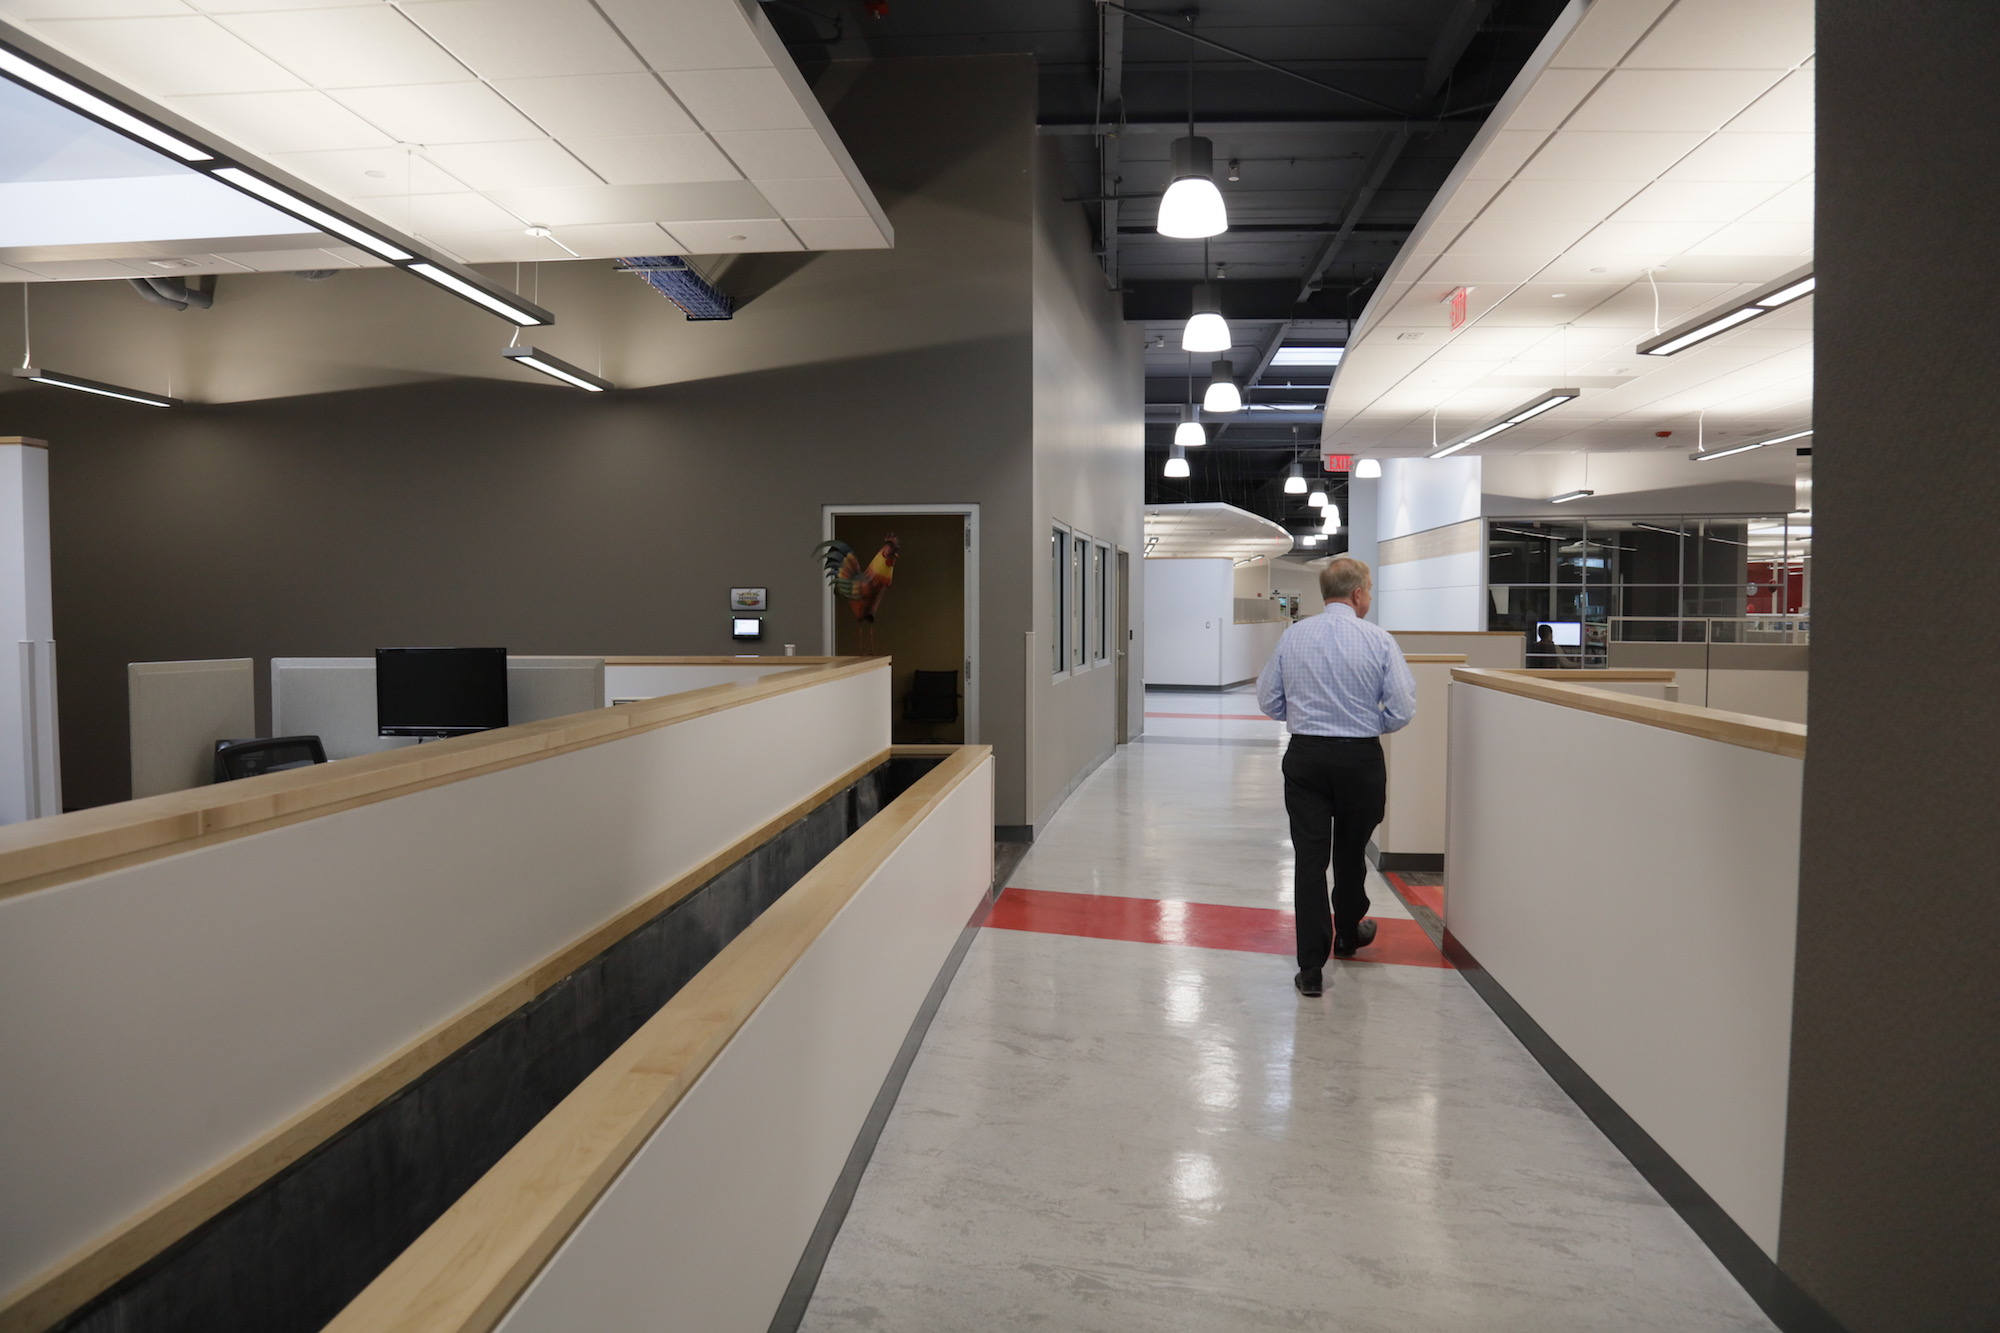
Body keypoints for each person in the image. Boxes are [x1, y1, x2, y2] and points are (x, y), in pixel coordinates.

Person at [1256, 557, 1416, 998]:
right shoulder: (1379, 640)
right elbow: (1402, 708)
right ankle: (1347, 933)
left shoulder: (1294, 636)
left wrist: (1307, 720)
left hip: (1306, 757)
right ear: (1359, 594)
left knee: (1310, 861)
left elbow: (1269, 701)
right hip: (1359, 760)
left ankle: (1310, 968)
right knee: (1350, 854)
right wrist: (1365, 724)